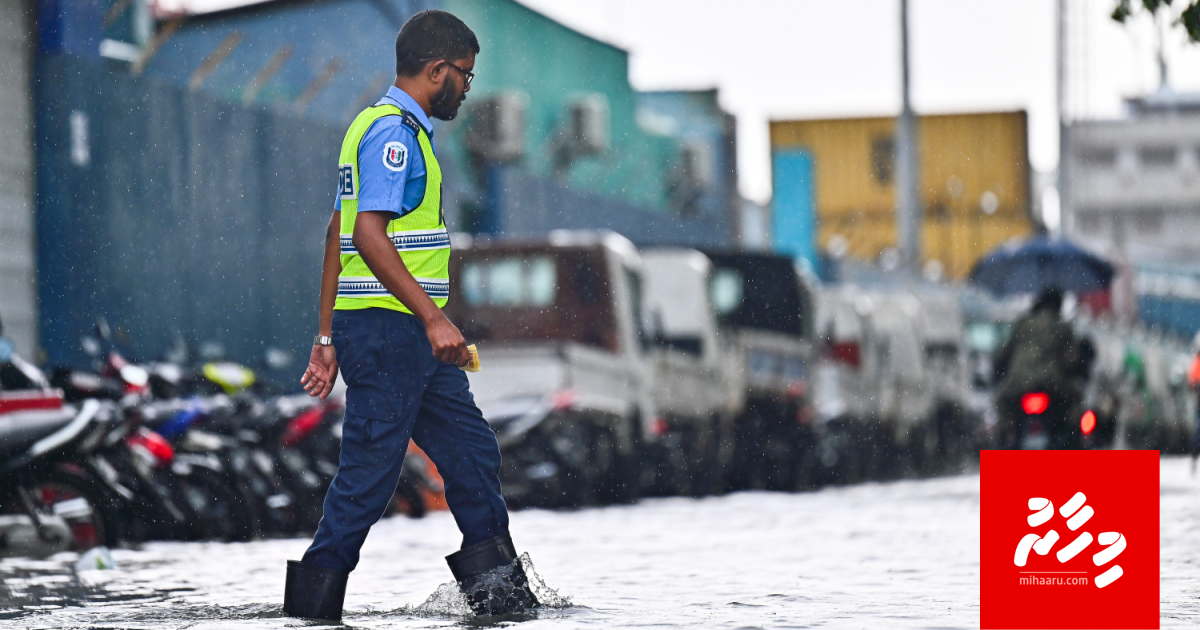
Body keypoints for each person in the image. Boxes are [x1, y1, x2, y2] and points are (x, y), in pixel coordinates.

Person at [283, 10, 537, 621]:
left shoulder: (388, 129)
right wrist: (431, 318)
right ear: (436, 69)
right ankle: (309, 612)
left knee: (474, 457)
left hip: (404, 335)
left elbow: (335, 232)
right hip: (391, 330)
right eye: (465, 76)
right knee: (369, 479)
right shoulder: (393, 135)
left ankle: (502, 604)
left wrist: (325, 334)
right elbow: (365, 234)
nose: (467, 87)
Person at [993, 288, 1091, 450]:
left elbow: (1005, 354)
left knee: (1002, 407)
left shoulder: (1022, 324)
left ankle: (1005, 442)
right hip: (1054, 385)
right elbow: (1071, 360)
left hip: (1018, 385)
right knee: (1076, 406)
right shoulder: (1062, 327)